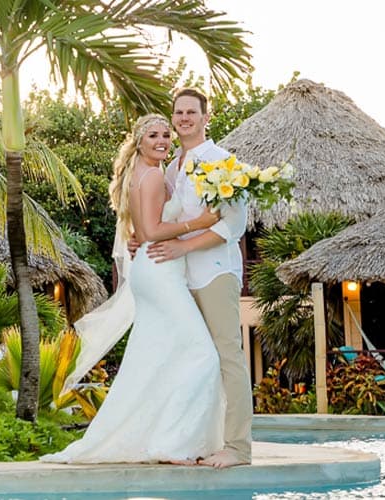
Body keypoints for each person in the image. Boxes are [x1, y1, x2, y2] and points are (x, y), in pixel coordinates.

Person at [39, 114, 225, 464]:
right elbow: (153, 232)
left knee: (157, 357)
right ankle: (172, 443)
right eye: (153, 135)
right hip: (159, 271)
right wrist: (198, 223)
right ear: (138, 140)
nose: (162, 141)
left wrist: (150, 234)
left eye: (166, 135)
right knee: (203, 355)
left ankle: (160, 438)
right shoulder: (153, 175)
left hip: (152, 270)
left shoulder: (139, 173)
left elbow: (141, 231)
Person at [145, 88, 252, 468]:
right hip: (180, 279)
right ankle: (196, 441)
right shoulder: (172, 166)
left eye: (192, 111)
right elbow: (169, 220)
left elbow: (234, 225)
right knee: (194, 360)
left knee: (228, 358)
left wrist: (184, 247)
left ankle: (238, 447)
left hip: (216, 274)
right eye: (179, 112)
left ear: (207, 117)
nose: (184, 118)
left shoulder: (224, 162)